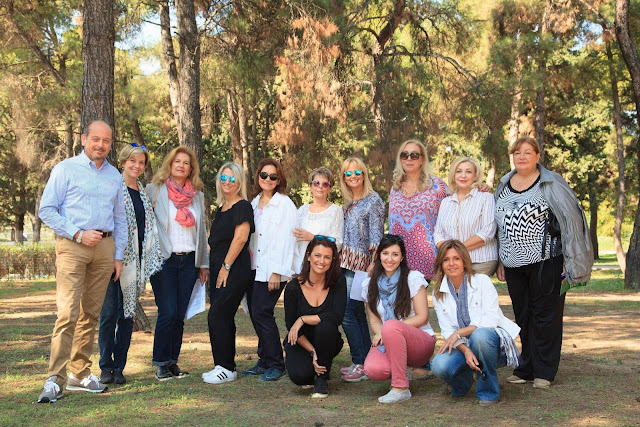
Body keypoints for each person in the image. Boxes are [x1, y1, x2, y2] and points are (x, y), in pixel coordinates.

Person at [37, 120, 127, 403]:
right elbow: (46, 210)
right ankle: (55, 379)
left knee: (91, 313)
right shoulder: (65, 169)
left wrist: (118, 255)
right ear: (84, 139)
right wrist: (77, 233)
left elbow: (120, 218)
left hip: (105, 248)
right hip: (73, 246)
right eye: (96, 139)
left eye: (106, 141)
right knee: (67, 313)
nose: (101, 145)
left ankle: (80, 373)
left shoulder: (114, 175)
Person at [494, 136, 593, 389]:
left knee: (546, 316)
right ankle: (525, 368)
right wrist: (500, 260)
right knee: (523, 316)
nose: (522, 157)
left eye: (528, 152)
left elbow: (572, 221)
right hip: (513, 265)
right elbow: (498, 227)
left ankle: (544, 372)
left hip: (547, 261)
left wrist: (570, 259)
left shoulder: (551, 182)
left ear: (538, 156)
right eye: (517, 153)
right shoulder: (503, 185)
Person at [98, 144, 163, 385]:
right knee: (108, 314)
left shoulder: (144, 194)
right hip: (112, 260)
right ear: (123, 162)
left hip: (134, 264)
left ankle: (119, 367)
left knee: (126, 316)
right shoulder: (114, 188)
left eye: (141, 162)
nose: (136, 166)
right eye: (132, 161)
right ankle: (105, 366)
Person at [430, 240, 521, 406]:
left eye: (456, 258)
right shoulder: (438, 293)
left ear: (464, 261)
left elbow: (490, 319)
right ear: (441, 264)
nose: (451, 264)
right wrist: (466, 351)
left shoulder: (482, 281)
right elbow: (447, 330)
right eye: (446, 260)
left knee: (480, 336)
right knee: (438, 365)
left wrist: (459, 333)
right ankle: (464, 380)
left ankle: (488, 390)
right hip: (463, 345)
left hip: (490, 342)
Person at [146, 146, 210, 381]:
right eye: (177, 161)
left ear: (191, 168)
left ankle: (173, 361)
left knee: (179, 314)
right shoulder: (155, 190)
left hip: (190, 261)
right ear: (170, 164)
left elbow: (201, 231)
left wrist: (203, 263)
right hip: (165, 261)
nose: (181, 166)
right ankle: (161, 363)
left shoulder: (197, 196)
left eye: (186, 163)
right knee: (168, 311)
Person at [361, 234, 436, 403]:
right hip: (390, 338)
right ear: (379, 255)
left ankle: (401, 388)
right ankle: (399, 368)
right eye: (385, 253)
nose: (390, 259)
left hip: (420, 342)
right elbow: (374, 320)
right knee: (374, 369)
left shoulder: (413, 278)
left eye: (395, 254)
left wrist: (390, 330)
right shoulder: (369, 284)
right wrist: (383, 332)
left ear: (402, 257)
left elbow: (422, 317)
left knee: (390, 326)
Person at [244, 158, 298, 381]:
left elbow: (287, 240)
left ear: (279, 180)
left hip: (272, 269)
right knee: (255, 313)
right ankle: (264, 360)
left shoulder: (284, 204)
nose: (268, 179)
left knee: (261, 311)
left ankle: (276, 363)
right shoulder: (254, 203)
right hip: (254, 267)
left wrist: (276, 271)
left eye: (273, 176)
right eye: (264, 175)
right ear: (258, 176)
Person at [203, 162, 255, 384]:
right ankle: (223, 365)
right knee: (222, 315)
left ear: (240, 182)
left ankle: (226, 367)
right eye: (223, 178)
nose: (227, 182)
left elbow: (240, 238)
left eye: (232, 178)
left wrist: (226, 267)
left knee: (218, 314)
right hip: (219, 267)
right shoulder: (222, 208)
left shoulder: (242, 206)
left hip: (233, 268)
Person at [338, 157, 385, 382]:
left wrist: (374, 263)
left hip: (363, 265)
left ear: (364, 174)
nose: (353, 176)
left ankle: (359, 362)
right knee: (355, 313)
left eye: (357, 172)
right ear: (344, 178)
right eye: (348, 173)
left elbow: (377, 234)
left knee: (346, 313)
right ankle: (365, 360)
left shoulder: (373, 200)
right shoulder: (347, 203)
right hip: (345, 264)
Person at [284, 236, 347, 398]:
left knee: (325, 325)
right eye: (317, 255)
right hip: (301, 340)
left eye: (327, 257)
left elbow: (336, 317)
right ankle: (314, 364)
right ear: (308, 256)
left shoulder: (338, 281)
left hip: (327, 338)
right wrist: (312, 352)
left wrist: (303, 319)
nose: (321, 261)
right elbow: (291, 326)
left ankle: (321, 379)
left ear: (333, 260)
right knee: (301, 377)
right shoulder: (293, 287)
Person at [388, 139, 447, 281]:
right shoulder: (395, 188)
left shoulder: (436, 185)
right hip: (398, 260)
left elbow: (458, 202)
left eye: (414, 155)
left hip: (429, 259)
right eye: (404, 155)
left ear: (422, 160)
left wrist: (479, 187)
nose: (409, 159)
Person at [434, 157, 497, 276]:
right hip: (453, 261)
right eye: (459, 171)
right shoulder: (446, 202)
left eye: (468, 172)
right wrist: (450, 253)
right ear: (453, 175)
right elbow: (438, 233)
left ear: (475, 176)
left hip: (480, 260)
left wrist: (456, 250)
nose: (463, 175)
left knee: (470, 287)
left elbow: (488, 231)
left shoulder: (486, 198)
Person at [292, 167, 344, 273]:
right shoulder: (302, 210)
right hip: (299, 265)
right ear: (311, 186)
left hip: (321, 267)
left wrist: (314, 238)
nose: (320, 187)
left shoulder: (335, 211)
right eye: (316, 183)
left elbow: (338, 243)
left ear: (329, 189)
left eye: (325, 184)